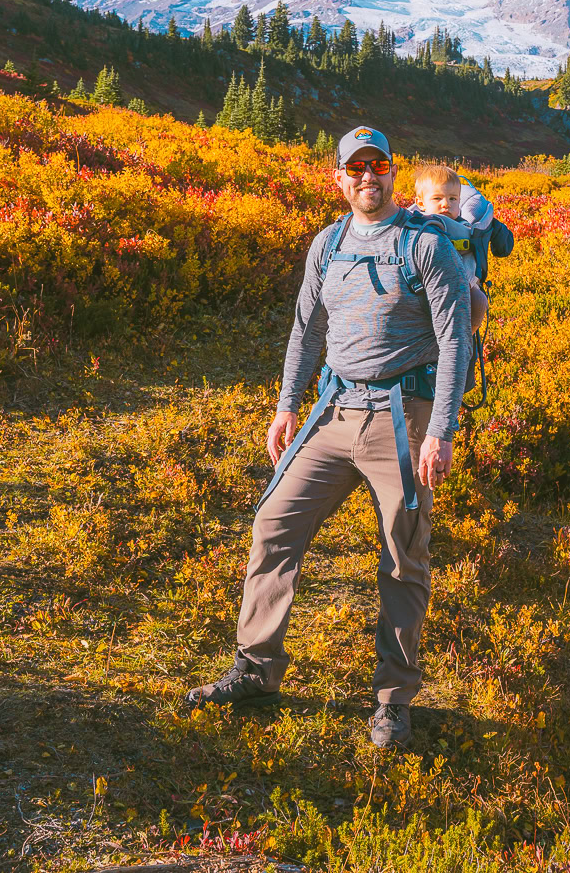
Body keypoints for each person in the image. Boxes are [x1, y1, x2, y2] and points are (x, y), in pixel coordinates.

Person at [186, 126, 472, 749]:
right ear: (339, 179)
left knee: (403, 555)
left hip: (404, 417)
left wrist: (441, 431)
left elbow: (456, 342)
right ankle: (257, 670)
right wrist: (287, 405)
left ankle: (393, 701)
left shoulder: (427, 247)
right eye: (356, 167)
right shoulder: (328, 244)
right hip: (334, 410)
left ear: (394, 174)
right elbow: (305, 330)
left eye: (379, 165)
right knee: (274, 524)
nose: (368, 175)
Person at [413, 163, 490, 332]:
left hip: (461, 281)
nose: (446, 204)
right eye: (437, 198)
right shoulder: (413, 224)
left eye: (452, 199)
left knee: (479, 301)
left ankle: (466, 335)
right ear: (421, 203)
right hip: (419, 282)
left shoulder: (464, 227)